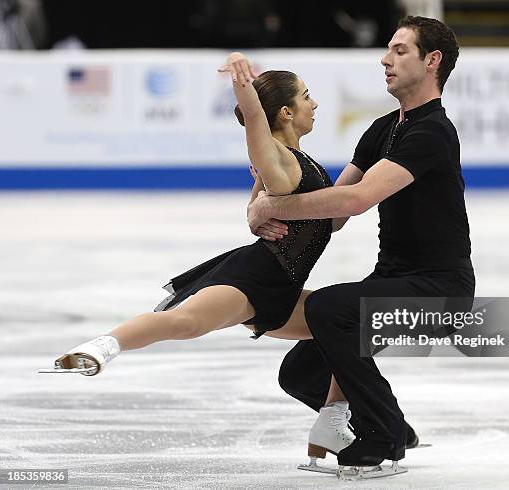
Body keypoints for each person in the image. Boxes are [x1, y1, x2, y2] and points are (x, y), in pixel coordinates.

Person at [42, 52, 357, 458]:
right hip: (256, 278)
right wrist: (244, 84)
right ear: (285, 111)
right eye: (307, 97)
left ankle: (335, 421)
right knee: (185, 322)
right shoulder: (277, 158)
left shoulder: (297, 162)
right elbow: (256, 127)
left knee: (350, 326)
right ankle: (101, 348)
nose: (314, 104)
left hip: (285, 292)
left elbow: (324, 217)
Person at [248, 16, 475, 468]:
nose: (385, 58)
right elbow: (331, 217)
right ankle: (395, 426)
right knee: (299, 373)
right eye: (388, 48)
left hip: (438, 288)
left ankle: (381, 436)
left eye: (400, 50)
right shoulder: (382, 129)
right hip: (393, 279)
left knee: (329, 308)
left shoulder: (432, 132)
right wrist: (262, 199)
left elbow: (356, 199)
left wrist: (275, 208)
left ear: (433, 61)